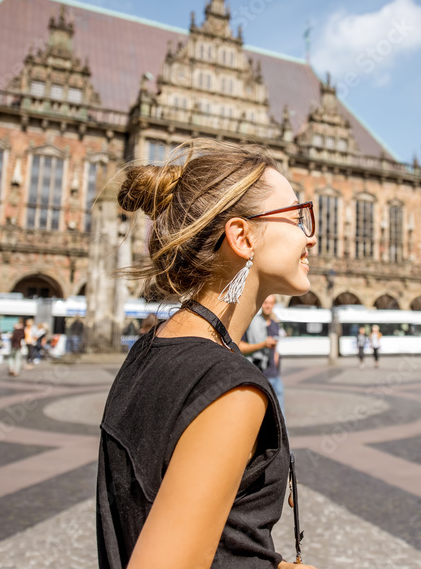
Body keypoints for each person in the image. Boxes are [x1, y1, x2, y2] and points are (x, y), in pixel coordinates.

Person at [96, 141, 317, 568]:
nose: (311, 235)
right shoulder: (230, 389)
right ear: (241, 236)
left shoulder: (151, 348)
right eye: (296, 217)